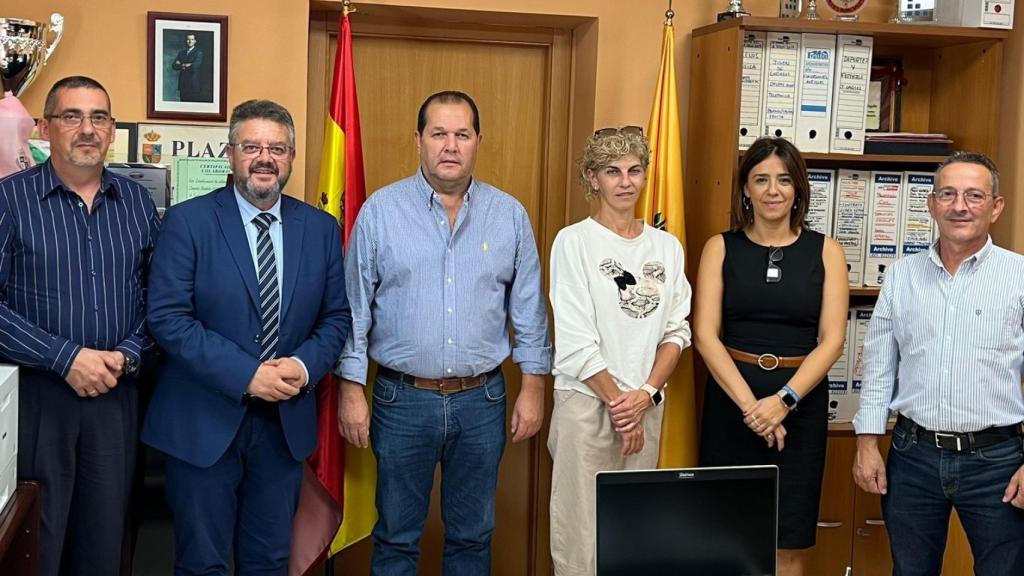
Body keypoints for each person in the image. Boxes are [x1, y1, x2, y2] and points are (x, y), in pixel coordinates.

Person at [336, 90, 550, 575]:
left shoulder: (510, 215)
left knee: (473, 536)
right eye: (438, 134)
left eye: (462, 134)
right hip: (400, 400)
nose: (450, 146)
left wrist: (533, 389)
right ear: (418, 141)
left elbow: (530, 311)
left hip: (482, 401)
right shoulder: (380, 212)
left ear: (478, 141)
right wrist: (351, 391)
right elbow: (353, 310)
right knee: (395, 537)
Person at [142, 99, 350, 574]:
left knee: (270, 561)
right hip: (201, 422)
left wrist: (299, 367)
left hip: (283, 427)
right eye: (252, 145)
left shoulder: (320, 229)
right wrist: (248, 375)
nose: (265, 158)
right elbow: (169, 318)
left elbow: (336, 317)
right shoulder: (187, 221)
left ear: (292, 157)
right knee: (202, 563)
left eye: (277, 148)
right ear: (231, 153)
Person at [0, 75, 160, 576]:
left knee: (104, 541)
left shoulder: (136, 204)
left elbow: (163, 300)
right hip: (37, 400)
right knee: (35, 542)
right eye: (72, 116)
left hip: (116, 399)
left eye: (99, 118)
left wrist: (129, 353)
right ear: (45, 128)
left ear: (112, 130)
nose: (87, 129)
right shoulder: (9, 200)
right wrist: (64, 358)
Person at [852, 151, 1024, 576]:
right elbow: (878, 365)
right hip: (913, 458)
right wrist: (867, 443)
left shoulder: (1019, 276)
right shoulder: (901, 275)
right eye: (947, 194)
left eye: (973, 195)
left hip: (999, 462)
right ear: (931, 204)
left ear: (995, 207)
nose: (959, 206)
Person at [694, 136, 848, 576]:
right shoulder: (720, 248)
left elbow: (832, 340)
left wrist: (782, 402)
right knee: (724, 537)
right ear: (745, 188)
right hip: (732, 405)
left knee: (788, 544)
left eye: (783, 180)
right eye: (760, 179)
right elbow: (705, 335)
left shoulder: (827, 251)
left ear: (798, 188)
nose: (772, 190)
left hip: (799, 406)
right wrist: (752, 409)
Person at [546, 126, 691, 575]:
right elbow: (574, 341)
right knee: (581, 539)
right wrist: (619, 405)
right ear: (592, 179)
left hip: (645, 405)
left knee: (634, 534)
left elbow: (676, 331)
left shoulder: (667, 247)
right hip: (588, 405)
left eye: (634, 170)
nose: (625, 181)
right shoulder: (574, 242)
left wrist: (644, 395)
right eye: (612, 171)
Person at [171, 33, 204, 102]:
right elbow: (174, 66)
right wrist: (185, 65)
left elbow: (194, 67)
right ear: (186, 41)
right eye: (188, 39)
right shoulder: (181, 52)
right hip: (183, 84)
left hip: (193, 85)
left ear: (195, 41)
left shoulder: (199, 52)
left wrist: (181, 64)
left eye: (192, 39)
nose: (190, 41)